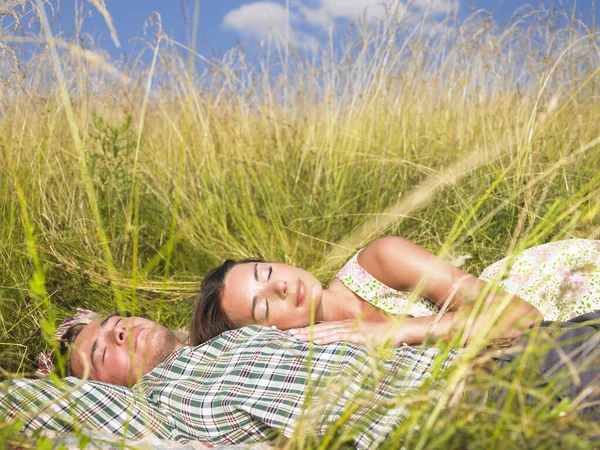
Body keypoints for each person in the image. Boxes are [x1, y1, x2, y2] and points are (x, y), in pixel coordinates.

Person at [2, 309, 600, 447]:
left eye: (112, 322)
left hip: (511, 356)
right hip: (464, 419)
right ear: (102, 388)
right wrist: (61, 388)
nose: (116, 334)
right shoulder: (164, 410)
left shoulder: (237, 334)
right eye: (100, 351)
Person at [190, 238, 600, 346]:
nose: (280, 285)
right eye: (264, 306)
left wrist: (399, 331)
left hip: (560, 289)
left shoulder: (380, 262)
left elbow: (522, 317)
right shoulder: (317, 357)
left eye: (267, 271)